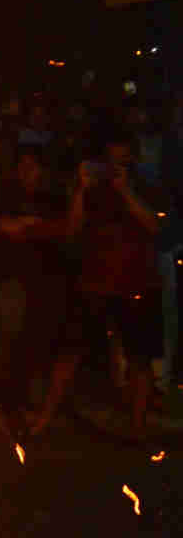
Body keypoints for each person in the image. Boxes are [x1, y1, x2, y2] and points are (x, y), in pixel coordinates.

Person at [31, 135, 166, 439]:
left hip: (136, 281)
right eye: (111, 159)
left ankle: (137, 426)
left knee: (139, 358)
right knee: (70, 351)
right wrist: (80, 189)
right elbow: (72, 229)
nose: (116, 164)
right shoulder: (91, 188)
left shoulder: (145, 184)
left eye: (122, 159)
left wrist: (126, 192)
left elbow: (154, 226)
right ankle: (44, 419)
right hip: (95, 281)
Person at [0, 149, 70, 409]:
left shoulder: (52, 199)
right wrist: (31, 225)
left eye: (32, 166)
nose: (27, 171)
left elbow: (61, 230)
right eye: (22, 166)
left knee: (38, 340)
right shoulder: (7, 196)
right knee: (8, 337)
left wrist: (29, 226)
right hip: (11, 279)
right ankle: (4, 397)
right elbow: (2, 226)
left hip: (45, 281)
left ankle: (32, 401)